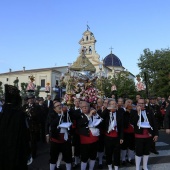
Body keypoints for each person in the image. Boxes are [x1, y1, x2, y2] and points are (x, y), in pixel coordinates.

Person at [0, 85, 30, 170]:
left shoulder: (2, 114)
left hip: (4, 152)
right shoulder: (20, 115)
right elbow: (25, 135)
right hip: (17, 152)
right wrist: (27, 150)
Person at [130, 98, 158, 170]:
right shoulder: (133, 112)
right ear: (137, 104)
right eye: (140, 103)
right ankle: (137, 167)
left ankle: (145, 167)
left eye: (143, 103)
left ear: (145, 104)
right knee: (138, 152)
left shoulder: (149, 111)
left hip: (148, 135)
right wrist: (138, 113)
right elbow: (133, 122)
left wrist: (156, 134)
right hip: (139, 135)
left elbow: (154, 123)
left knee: (146, 151)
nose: (141, 105)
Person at [46, 102, 72, 170]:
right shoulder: (52, 115)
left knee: (68, 157)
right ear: (54, 109)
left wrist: (66, 112)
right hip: (56, 139)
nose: (60, 106)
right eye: (57, 106)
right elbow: (52, 124)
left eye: (60, 105)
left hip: (65, 139)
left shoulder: (67, 113)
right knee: (53, 157)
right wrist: (61, 115)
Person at [76, 101, 102, 170]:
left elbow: (100, 122)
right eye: (83, 107)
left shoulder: (94, 115)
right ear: (81, 108)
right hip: (85, 140)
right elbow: (81, 124)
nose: (85, 108)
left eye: (86, 106)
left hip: (94, 139)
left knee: (93, 157)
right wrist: (89, 115)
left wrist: (95, 115)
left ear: (89, 107)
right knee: (84, 157)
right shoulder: (79, 115)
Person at [102, 100, 124, 170]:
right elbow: (101, 118)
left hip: (117, 137)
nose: (113, 105)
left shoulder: (119, 113)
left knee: (117, 153)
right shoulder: (106, 113)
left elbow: (122, 127)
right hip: (108, 137)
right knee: (108, 153)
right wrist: (107, 109)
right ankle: (110, 167)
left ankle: (116, 167)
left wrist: (121, 137)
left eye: (114, 104)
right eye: (111, 104)